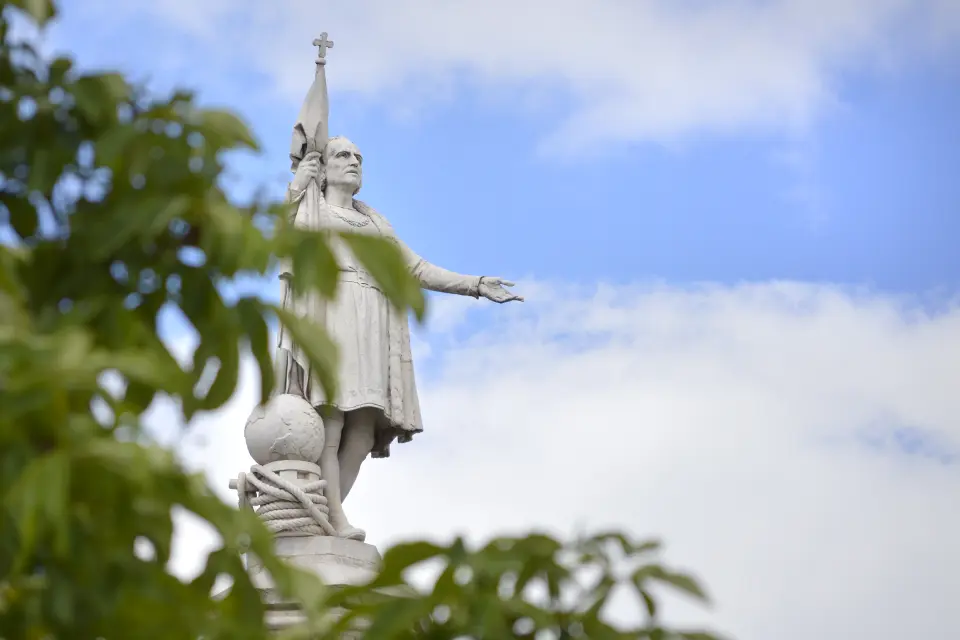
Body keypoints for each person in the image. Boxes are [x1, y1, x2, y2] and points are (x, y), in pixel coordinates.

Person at [276, 135, 523, 540]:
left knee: (362, 427)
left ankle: (325, 514)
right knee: (332, 416)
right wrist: (296, 187)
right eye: (343, 155)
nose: (354, 161)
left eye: (359, 156)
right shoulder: (310, 207)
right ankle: (333, 517)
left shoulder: (374, 221)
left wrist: (475, 285)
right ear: (325, 167)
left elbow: (417, 269)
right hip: (331, 309)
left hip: (372, 316)